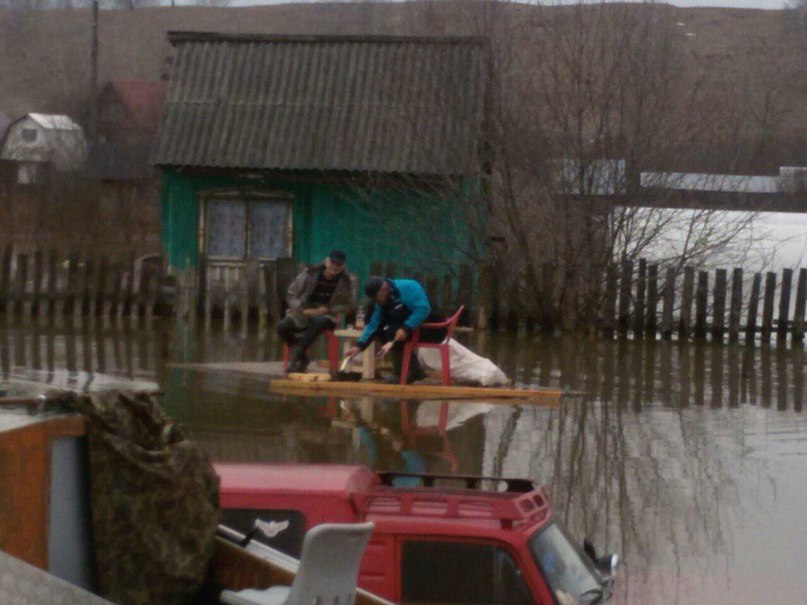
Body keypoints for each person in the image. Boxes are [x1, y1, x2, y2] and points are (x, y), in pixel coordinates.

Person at [346, 276, 446, 383]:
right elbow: (373, 325)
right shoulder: (380, 302)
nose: (376, 302)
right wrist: (359, 346)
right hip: (412, 328)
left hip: (433, 328)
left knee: (392, 330)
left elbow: (423, 309)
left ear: (384, 289)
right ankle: (414, 371)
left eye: (376, 298)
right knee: (384, 330)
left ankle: (402, 373)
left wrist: (406, 328)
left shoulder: (409, 287)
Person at [277, 250, 355, 373]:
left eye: (338, 264)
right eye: (332, 262)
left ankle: (296, 359)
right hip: (305, 311)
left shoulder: (346, 281)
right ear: (326, 261)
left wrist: (329, 309)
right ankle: (302, 356)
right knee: (282, 326)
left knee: (318, 321)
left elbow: (349, 305)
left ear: (343, 266)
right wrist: (302, 310)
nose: (334, 266)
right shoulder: (310, 273)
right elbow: (292, 294)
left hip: (327, 314)